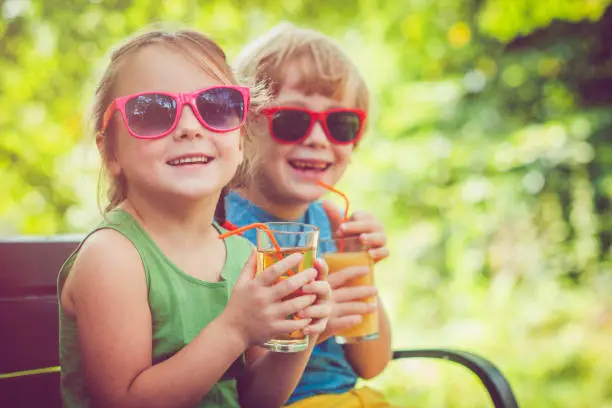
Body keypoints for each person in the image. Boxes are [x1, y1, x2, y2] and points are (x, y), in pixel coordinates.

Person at [57, 27, 331, 408]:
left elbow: (254, 401)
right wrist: (235, 329)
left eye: (217, 107)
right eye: (152, 112)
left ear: (240, 139)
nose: (189, 127)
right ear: (111, 152)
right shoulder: (114, 257)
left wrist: (300, 338)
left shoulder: (239, 253)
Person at [226, 22, 393, 407]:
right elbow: (250, 396)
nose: (318, 139)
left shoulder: (330, 224)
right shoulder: (226, 232)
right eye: (292, 119)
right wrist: (315, 323)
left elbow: (371, 363)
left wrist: (361, 270)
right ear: (245, 125)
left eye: (341, 124)